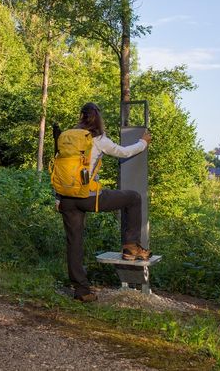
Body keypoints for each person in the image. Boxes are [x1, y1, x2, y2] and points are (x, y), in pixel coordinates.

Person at [57, 102, 152, 303]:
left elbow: (61, 170)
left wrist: (58, 198)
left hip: (66, 198)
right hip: (88, 197)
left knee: (74, 243)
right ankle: (131, 247)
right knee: (133, 198)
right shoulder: (98, 139)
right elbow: (124, 151)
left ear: (80, 117)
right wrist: (143, 142)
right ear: (98, 119)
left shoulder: (67, 138)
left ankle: (81, 290)